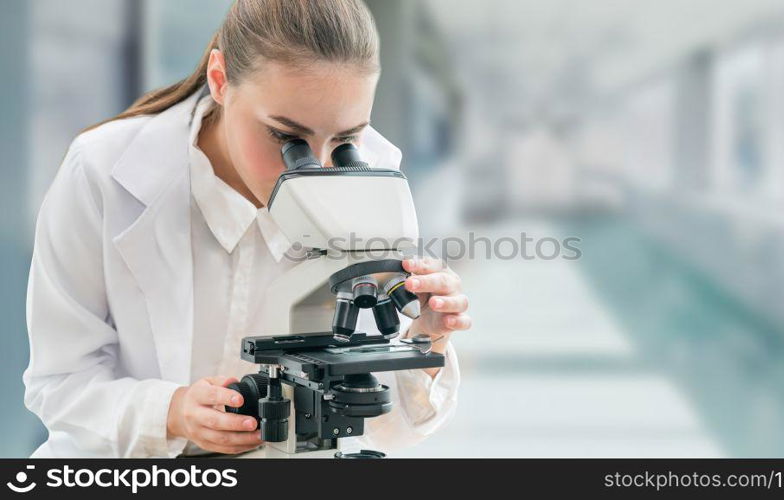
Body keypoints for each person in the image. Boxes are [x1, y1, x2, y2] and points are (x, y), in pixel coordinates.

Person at [23, 0, 470, 458]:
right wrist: (170, 412)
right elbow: (61, 385)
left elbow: (387, 422)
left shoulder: (372, 181)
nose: (314, 166)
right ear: (220, 81)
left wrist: (428, 339)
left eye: (346, 140)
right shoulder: (102, 170)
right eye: (286, 137)